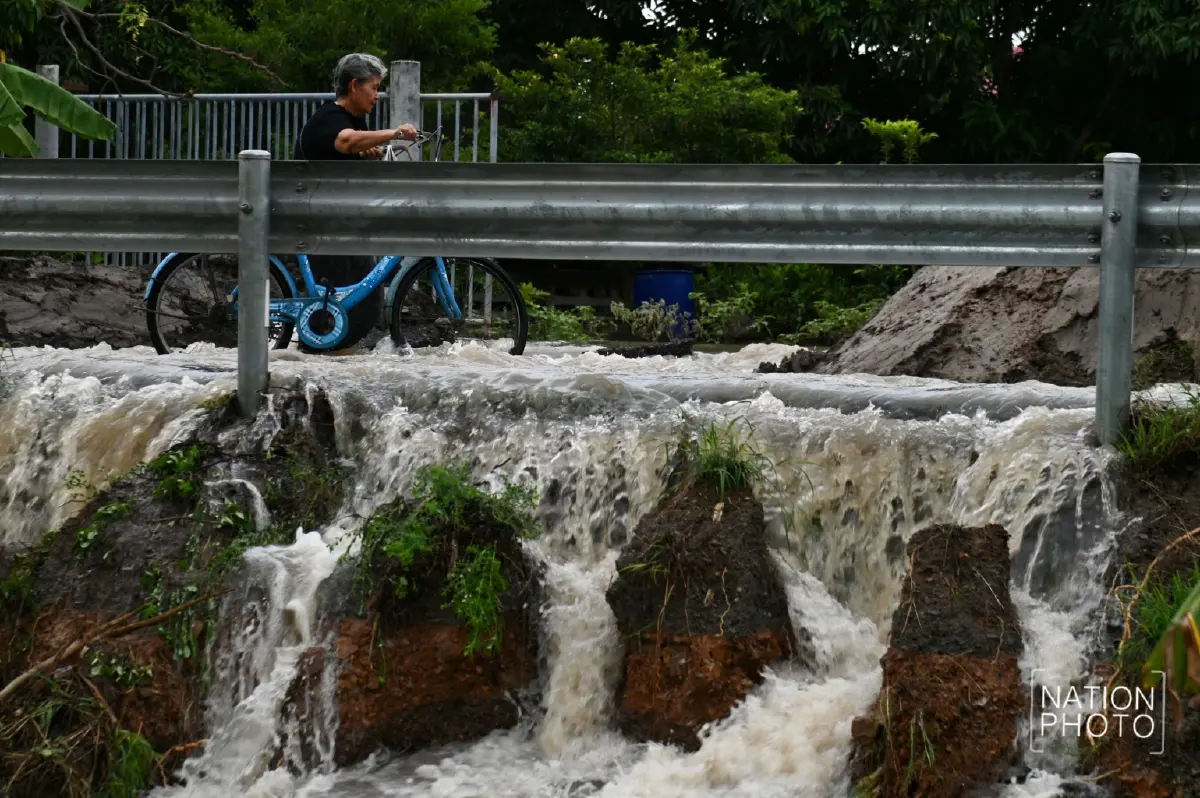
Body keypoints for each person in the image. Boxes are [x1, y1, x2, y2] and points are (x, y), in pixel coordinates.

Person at [293, 53, 419, 350]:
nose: (377, 96)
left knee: (366, 299)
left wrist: (364, 152)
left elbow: (345, 148)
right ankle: (316, 353)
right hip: (319, 225)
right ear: (353, 86)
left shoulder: (349, 121)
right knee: (348, 302)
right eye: (374, 87)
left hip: (337, 222)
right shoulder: (330, 118)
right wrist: (394, 133)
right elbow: (345, 141)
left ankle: (336, 356)